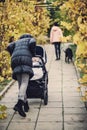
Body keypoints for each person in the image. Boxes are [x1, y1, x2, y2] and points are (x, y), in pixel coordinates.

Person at [6, 34, 36, 117]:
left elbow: (9, 46)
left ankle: (25, 105)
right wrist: (33, 54)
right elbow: (33, 42)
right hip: (25, 59)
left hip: (14, 60)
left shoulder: (17, 42)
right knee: (24, 82)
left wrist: (14, 54)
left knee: (20, 84)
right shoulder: (30, 39)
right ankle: (19, 104)